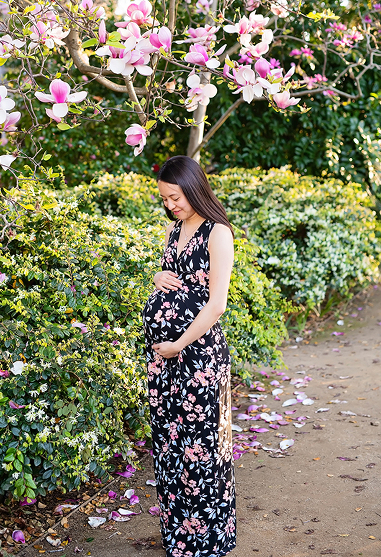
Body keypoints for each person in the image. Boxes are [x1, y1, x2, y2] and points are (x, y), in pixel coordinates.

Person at [142, 155, 236, 557]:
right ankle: (179, 538)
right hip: (164, 362)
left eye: (175, 197)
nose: (170, 205)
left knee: (202, 448)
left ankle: (209, 542)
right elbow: (172, 279)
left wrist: (179, 344)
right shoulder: (173, 230)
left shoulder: (218, 233)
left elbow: (216, 304)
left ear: (194, 188)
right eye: (165, 199)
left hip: (198, 360)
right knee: (169, 447)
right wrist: (157, 276)